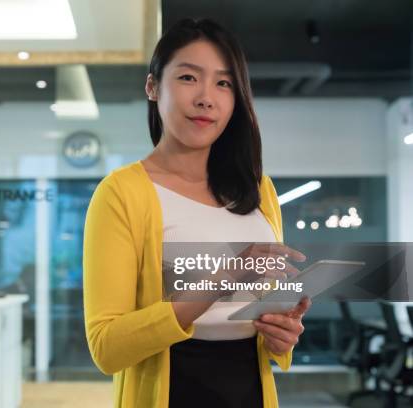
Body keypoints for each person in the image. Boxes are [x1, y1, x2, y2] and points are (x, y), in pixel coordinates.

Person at [83, 18, 311, 408]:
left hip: (250, 391)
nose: (207, 98)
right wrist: (222, 278)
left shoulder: (260, 190)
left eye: (224, 83)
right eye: (189, 78)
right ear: (153, 87)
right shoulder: (120, 193)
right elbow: (107, 349)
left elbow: (270, 309)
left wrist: (284, 332)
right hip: (173, 390)